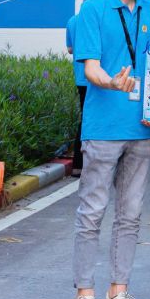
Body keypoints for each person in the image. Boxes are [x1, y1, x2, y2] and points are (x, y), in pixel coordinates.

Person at [71, 0, 150, 299]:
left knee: (129, 215)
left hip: (141, 129)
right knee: (91, 214)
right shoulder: (93, 9)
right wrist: (111, 82)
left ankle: (117, 294)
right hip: (103, 128)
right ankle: (85, 298)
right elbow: (90, 67)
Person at [66, 10, 91, 178]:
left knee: (84, 119)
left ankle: (78, 164)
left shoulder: (72, 21)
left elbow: (69, 49)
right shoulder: (98, 19)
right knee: (97, 120)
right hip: (99, 79)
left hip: (80, 78)